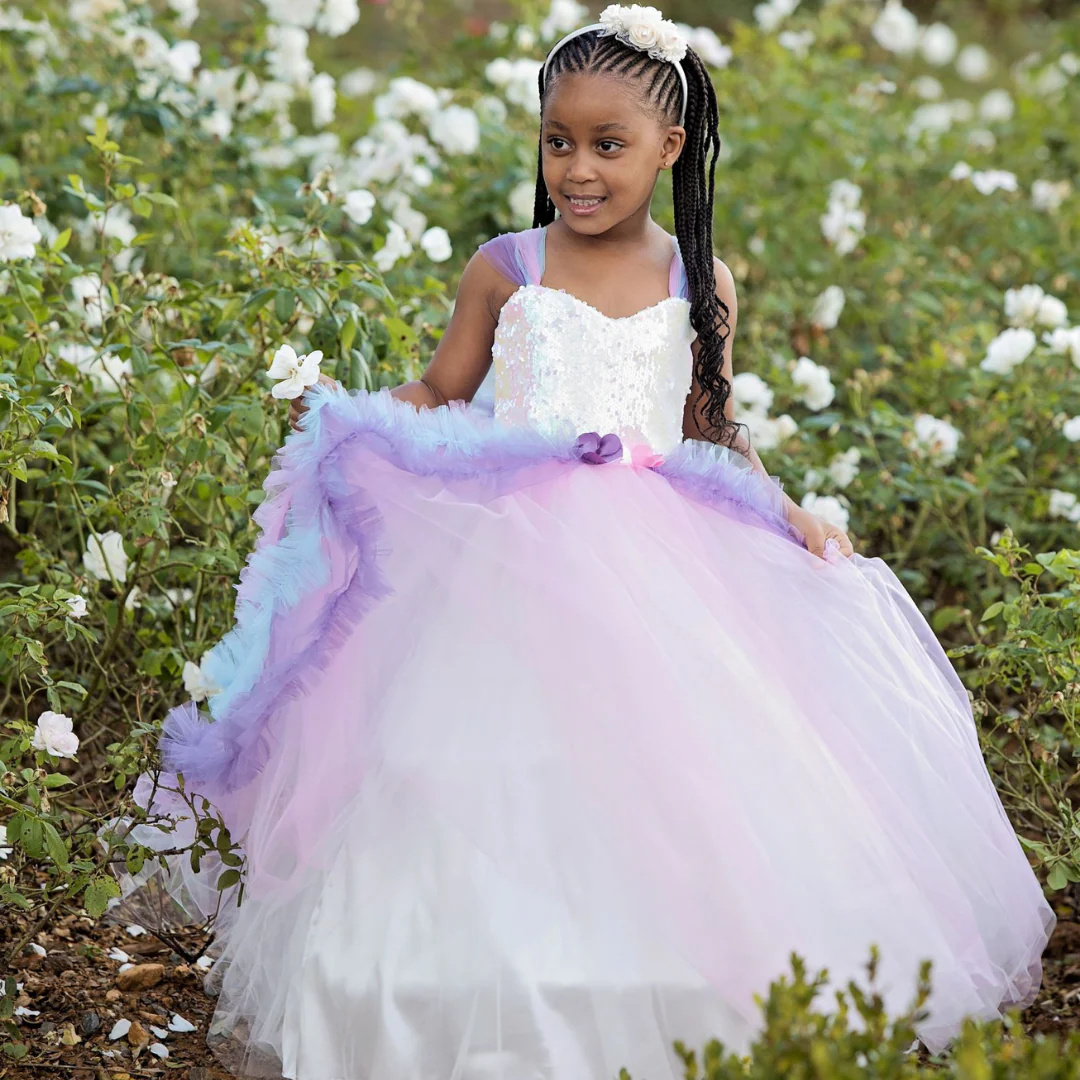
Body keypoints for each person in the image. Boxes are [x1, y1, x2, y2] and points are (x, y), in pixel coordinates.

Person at [103, 6, 1055, 1078]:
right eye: (560, 141)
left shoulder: (702, 279)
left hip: (662, 559)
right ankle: (438, 989)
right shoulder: (507, 265)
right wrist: (357, 415)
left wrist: (785, 509)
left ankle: (664, 993)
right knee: (470, 757)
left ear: (670, 148)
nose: (578, 169)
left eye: (609, 145)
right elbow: (442, 387)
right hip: (507, 554)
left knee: (673, 763)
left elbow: (712, 424)